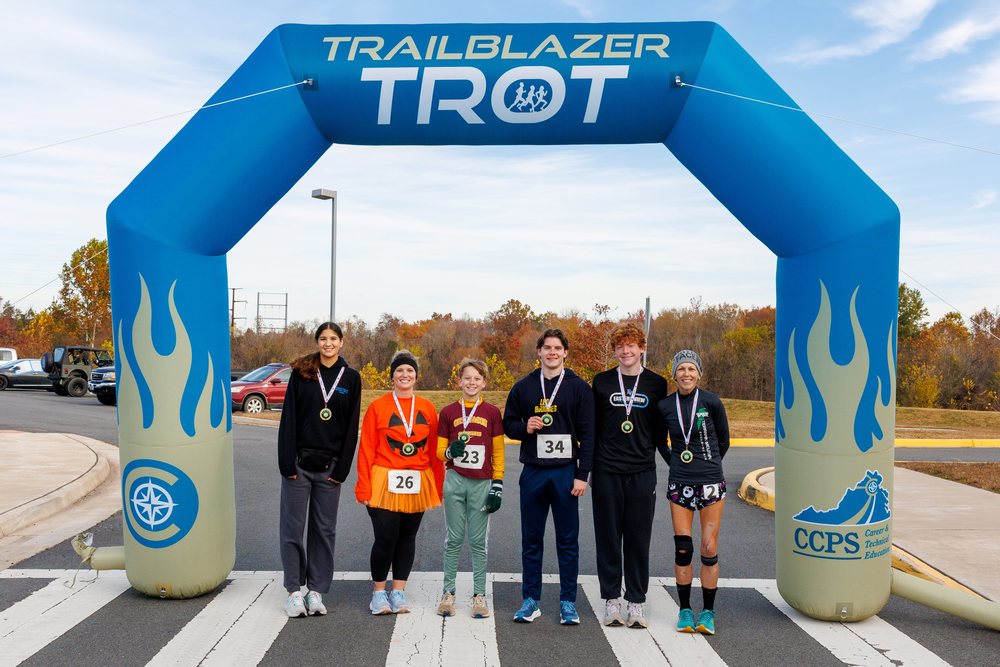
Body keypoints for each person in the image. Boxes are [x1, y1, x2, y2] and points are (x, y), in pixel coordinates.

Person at [503, 328, 595, 625]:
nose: (552, 352)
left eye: (557, 348)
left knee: (567, 540)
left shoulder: (579, 387)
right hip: (533, 472)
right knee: (532, 539)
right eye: (547, 348)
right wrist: (524, 428)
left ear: (566, 352)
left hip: (566, 473)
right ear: (539, 352)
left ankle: (568, 602)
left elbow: (589, 435)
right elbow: (508, 424)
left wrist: (582, 475)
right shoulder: (524, 386)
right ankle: (531, 600)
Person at [277, 322, 362, 618]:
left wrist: (342, 469)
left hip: (330, 469)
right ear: (317, 342)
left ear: (341, 343)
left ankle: (316, 591)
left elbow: (352, 427)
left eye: (333, 339)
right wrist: (286, 463)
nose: (328, 343)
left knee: (324, 531)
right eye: (323, 339)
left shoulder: (351, 378)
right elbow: (288, 417)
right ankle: (293, 591)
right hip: (299, 466)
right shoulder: (303, 374)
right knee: (292, 529)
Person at [590, 324, 669, 629]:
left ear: (641, 348)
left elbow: (660, 434)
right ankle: (611, 599)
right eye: (620, 346)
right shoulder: (601, 382)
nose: (626, 351)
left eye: (631, 345)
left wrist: (679, 465)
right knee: (608, 537)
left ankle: (636, 601)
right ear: (614, 351)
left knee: (638, 539)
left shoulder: (656, 384)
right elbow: (592, 430)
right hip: (607, 470)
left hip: (642, 472)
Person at [356, 349, 444, 615]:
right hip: (384, 479)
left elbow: (433, 453)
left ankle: (399, 591)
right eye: (399, 371)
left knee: (407, 538)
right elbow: (367, 448)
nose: (405, 375)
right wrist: (364, 486)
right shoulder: (378, 407)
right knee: (385, 538)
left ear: (416, 376)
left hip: (417, 480)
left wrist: (437, 487)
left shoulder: (427, 408)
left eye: (409, 371)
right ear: (392, 376)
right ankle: (378, 593)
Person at [657, 349, 730, 636]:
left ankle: (708, 612)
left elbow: (723, 440)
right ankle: (685, 610)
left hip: (711, 481)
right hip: (680, 483)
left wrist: (709, 463)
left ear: (699, 373)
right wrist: (676, 462)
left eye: (691, 369)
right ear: (673, 374)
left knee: (709, 547)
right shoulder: (665, 405)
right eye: (681, 369)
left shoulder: (711, 402)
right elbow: (659, 442)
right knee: (683, 548)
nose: (686, 374)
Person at [436, 358, 505, 619]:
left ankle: (479, 595)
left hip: (481, 482)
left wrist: (497, 484)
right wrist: (448, 452)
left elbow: (498, 451)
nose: (472, 382)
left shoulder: (491, 413)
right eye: (467, 378)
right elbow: (438, 452)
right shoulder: (449, 412)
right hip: (455, 480)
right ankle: (448, 592)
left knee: (478, 542)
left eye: (477, 378)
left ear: (484, 382)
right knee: (453, 539)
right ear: (459, 381)